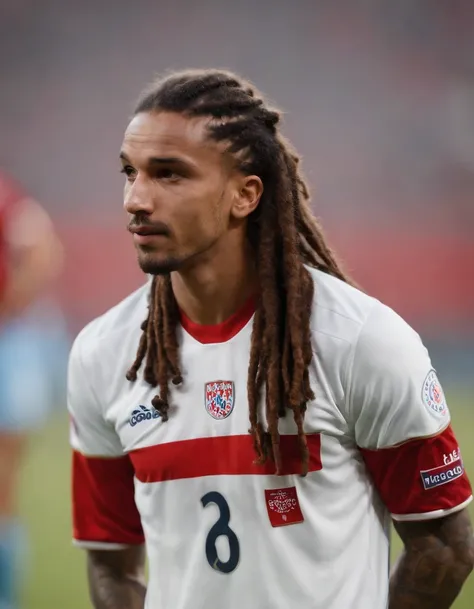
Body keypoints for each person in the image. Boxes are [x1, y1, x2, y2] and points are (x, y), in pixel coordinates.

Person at [68, 70, 474, 609]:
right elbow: (110, 565)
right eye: (130, 172)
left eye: (169, 175)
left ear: (245, 194)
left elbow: (445, 548)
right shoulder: (102, 354)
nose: (136, 199)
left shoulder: (359, 342)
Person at [0, 170, 65, 609]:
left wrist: (14, 299)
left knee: (3, 478)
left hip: (8, 341)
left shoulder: (4, 198)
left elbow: (43, 245)